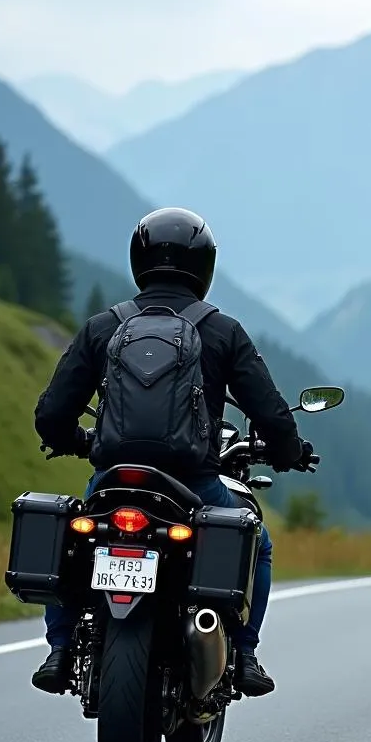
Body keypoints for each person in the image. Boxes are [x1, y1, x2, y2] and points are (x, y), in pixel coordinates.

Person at [31, 206, 312, 698]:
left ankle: (60, 648)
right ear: (204, 266)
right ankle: (244, 652)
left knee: (72, 538)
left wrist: (80, 442)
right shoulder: (222, 331)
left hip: (114, 480)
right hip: (194, 483)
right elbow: (269, 411)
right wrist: (290, 451)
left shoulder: (104, 327)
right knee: (257, 542)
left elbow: (52, 414)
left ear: (139, 259)